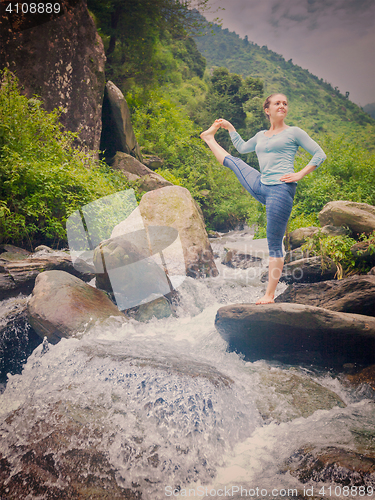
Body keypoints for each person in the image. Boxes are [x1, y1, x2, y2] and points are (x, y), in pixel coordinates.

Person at [200, 93, 326, 304]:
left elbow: (319, 154)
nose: (282, 106)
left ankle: (269, 295)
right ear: (267, 110)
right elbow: (241, 147)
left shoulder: (294, 132)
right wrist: (231, 129)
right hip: (260, 185)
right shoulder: (260, 136)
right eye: (277, 103)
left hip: (280, 190)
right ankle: (208, 138)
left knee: (274, 244)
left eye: (285, 103)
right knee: (235, 162)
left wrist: (299, 174)